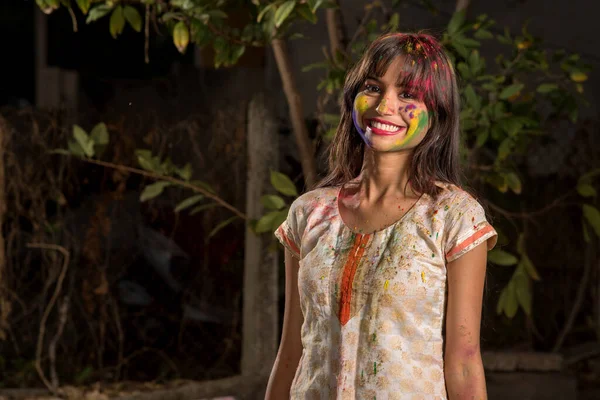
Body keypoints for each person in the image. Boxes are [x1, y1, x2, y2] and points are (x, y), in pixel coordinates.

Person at [265, 32, 498, 400]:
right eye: (373, 87)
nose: (384, 105)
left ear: (436, 111)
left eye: (407, 94)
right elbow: (292, 351)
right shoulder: (309, 214)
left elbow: (464, 361)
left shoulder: (452, 216)